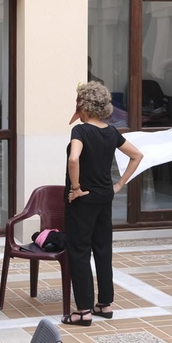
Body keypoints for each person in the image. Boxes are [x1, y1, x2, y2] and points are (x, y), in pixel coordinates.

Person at [63, 82, 143, 326]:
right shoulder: (111, 132)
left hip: (83, 199)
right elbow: (137, 155)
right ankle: (104, 304)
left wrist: (75, 189)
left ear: (83, 105)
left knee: (78, 251)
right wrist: (119, 185)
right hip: (104, 196)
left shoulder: (81, 131)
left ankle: (83, 311)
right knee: (102, 249)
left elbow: (74, 158)